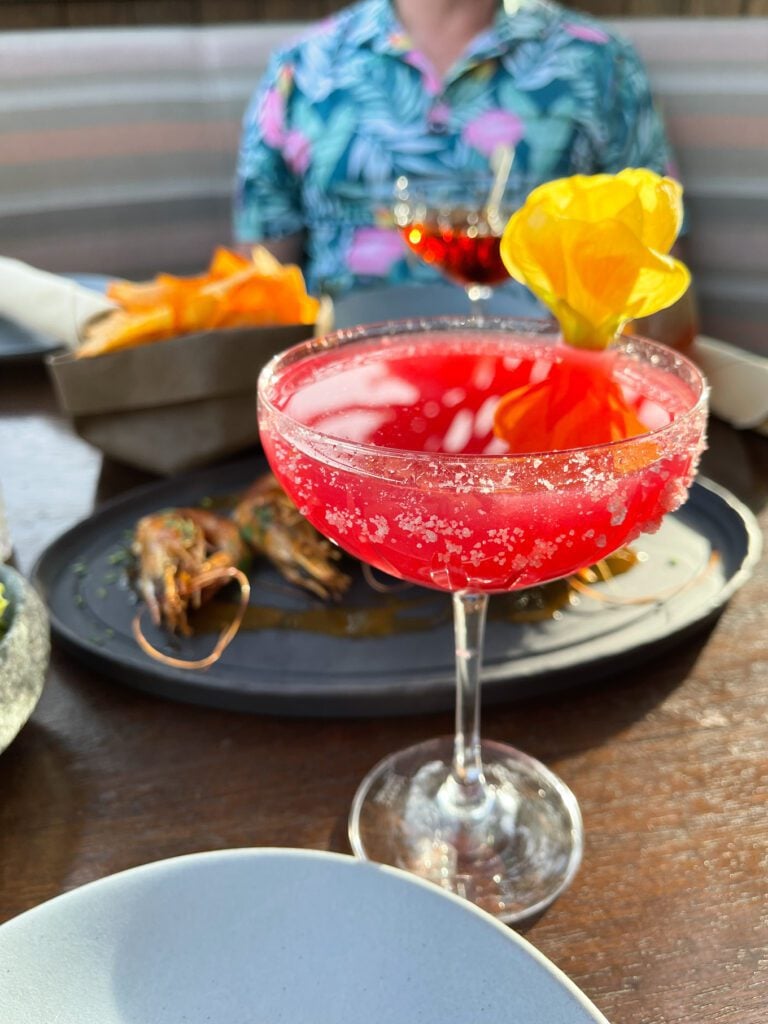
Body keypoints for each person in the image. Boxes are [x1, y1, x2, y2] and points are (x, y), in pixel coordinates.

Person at [234, 0, 697, 348]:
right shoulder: (305, 67)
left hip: (536, 383)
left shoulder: (598, 62)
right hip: (339, 386)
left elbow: (653, 266)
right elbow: (256, 282)